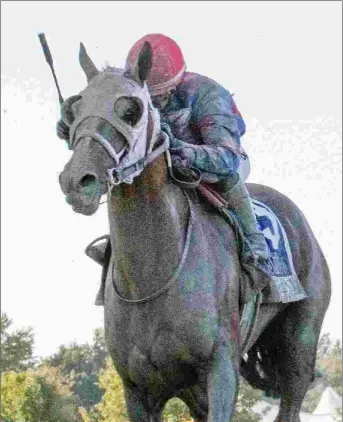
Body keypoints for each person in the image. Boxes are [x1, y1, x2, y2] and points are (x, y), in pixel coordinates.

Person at [57, 33, 271, 305]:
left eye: (162, 94)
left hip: (217, 161)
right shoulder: (131, 87)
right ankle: (116, 247)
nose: (156, 100)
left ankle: (256, 249)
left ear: (176, 82)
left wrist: (181, 150)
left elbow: (227, 157)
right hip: (165, 161)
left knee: (227, 176)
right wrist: (70, 123)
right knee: (129, 172)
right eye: (151, 95)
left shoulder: (208, 94)